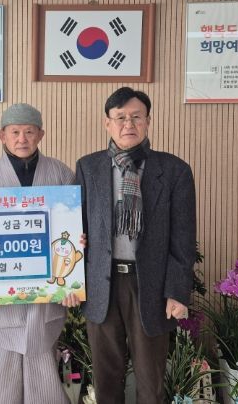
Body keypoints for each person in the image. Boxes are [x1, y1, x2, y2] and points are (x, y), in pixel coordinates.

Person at [75, 87, 196, 404]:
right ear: (107, 123)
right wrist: (74, 263)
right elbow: (76, 227)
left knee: (150, 379)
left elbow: (183, 238)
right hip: (102, 284)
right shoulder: (88, 167)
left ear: (148, 121)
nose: (128, 124)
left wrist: (177, 291)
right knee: (106, 378)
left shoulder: (174, 170)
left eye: (136, 117)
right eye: (120, 117)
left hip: (151, 286)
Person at [0, 103, 81, 404]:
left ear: (40, 135)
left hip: (46, 297)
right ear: (1, 136)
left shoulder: (60, 173)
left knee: (43, 370)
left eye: (29, 132)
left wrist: (75, 274)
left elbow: (77, 228)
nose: (22, 139)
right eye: (15, 132)